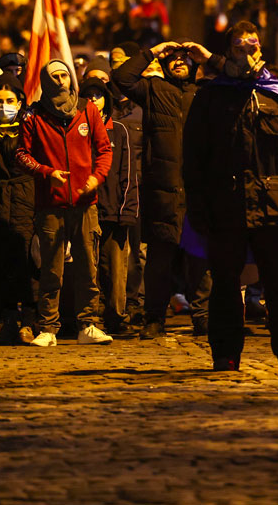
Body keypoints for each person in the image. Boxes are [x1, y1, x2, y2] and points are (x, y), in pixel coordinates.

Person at [182, 21, 278, 372]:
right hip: (226, 205)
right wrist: (198, 206)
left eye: (251, 46)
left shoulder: (277, 94)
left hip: (273, 206)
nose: (247, 53)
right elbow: (194, 158)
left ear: (261, 49)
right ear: (228, 52)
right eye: (239, 47)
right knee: (224, 284)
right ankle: (225, 352)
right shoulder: (210, 97)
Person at [112, 40, 213, 339]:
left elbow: (237, 78)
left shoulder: (206, 94)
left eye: (185, 59)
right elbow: (122, 78)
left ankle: (204, 317)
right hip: (162, 190)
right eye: (174, 59)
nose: (179, 62)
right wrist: (152, 52)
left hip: (197, 191)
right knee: (159, 261)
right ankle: (154, 318)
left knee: (200, 261)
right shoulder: (154, 91)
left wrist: (207, 56)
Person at [16, 60, 114, 346]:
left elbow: (104, 150)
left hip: (85, 202)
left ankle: (88, 324)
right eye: (54, 76)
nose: (60, 80)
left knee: (88, 266)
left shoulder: (88, 110)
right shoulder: (34, 115)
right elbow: (22, 154)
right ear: (45, 81)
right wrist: (47, 173)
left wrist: (97, 177)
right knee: (51, 267)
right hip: (51, 204)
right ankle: (48, 327)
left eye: (64, 75)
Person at [0, 73, 38, 345]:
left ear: (20, 100)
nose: (4, 105)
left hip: (26, 198)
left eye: (9, 100)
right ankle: (8, 319)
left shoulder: (30, 126)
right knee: (0, 264)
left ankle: (30, 320)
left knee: (27, 261)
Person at [79, 78, 139, 335]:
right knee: (87, 267)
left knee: (115, 269)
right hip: (85, 209)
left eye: (98, 94)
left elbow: (128, 173)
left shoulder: (119, 130)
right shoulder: (76, 129)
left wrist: (127, 210)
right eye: (88, 95)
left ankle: (116, 317)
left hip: (114, 209)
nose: (93, 99)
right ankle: (88, 318)